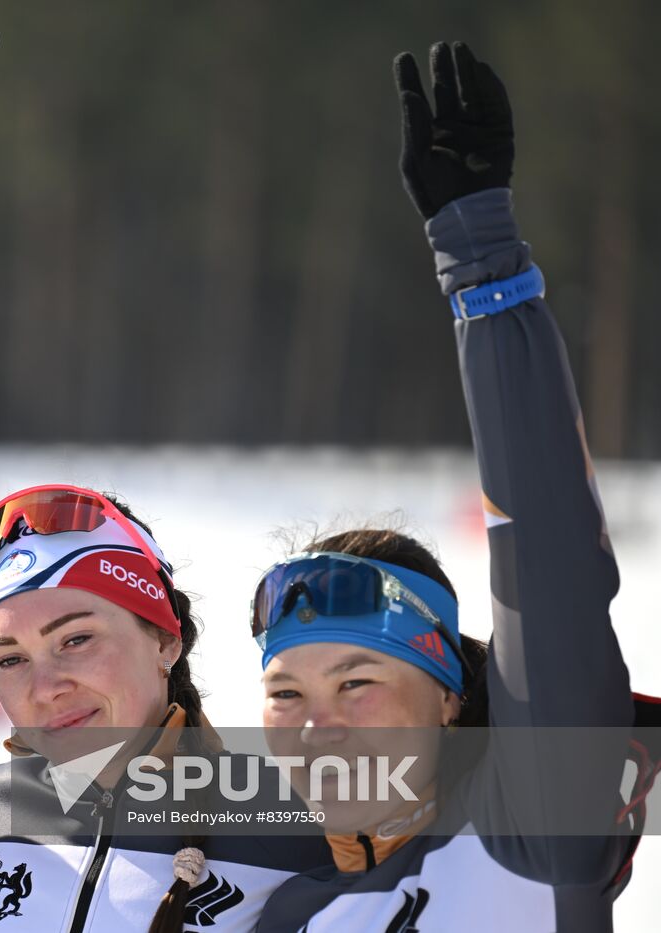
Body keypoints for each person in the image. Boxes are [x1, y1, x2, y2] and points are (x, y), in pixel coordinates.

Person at [251, 42, 653, 931]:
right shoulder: (280, 911)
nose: (319, 727)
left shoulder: (530, 835)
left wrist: (483, 267)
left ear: (447, 697)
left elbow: (548, 563)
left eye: (359, 682)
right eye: (287, 693)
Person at [0, 484, 331, 932]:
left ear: (165, 641)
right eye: (11, 659)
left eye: (76, 640)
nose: (45, 688)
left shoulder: (292, 818)